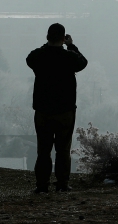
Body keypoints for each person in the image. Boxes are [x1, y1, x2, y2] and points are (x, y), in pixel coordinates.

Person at [26, 23, 88, 193]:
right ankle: (62, 184)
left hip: (43, 110)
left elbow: (30, 58)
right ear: (62, 38)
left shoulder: (38, 56)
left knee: (43, 150)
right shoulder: (69, 57)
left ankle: (42, 185)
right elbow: (83, 62)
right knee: (63, 150)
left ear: (47, 37)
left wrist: (47, 46)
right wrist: (71, 45)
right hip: (65, 110)